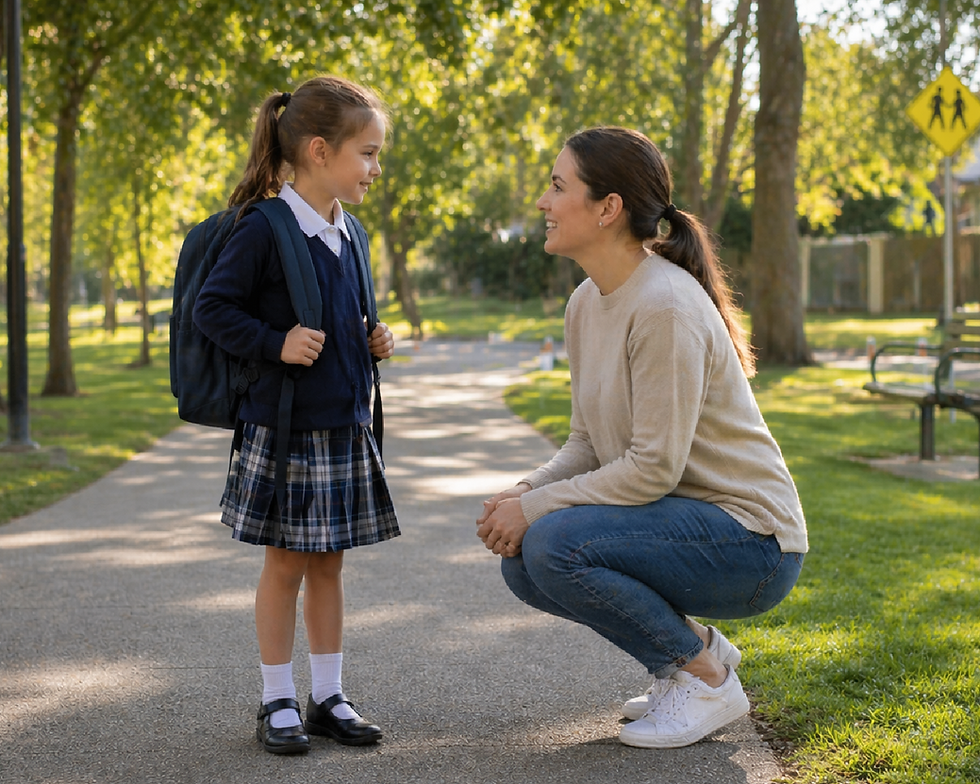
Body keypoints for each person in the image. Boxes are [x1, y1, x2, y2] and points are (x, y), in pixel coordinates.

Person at [476, 126, 807, 750]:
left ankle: (706, 681)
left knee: (550, 543)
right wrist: (522, 492)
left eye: (556, 187)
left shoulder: (664, 307)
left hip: (753, 544)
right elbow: (587, 442)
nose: (543, 203)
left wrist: (537, 509)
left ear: (607, 208)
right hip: (685, 526)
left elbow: (652, 468)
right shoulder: (586, 302)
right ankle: (691, 656)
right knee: (524, 563)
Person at [194, 75, 400, 755]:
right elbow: (213, 310)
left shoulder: (352, 232)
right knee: (285, 566)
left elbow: (347, 313)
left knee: (330, 566)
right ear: (318, 150)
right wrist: (275, 342)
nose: (375, 167)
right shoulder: (265, 227)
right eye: (367, 153)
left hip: (343, 425)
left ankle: (329, 695)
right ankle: (276, 698)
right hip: (285, 431)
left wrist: (375, 336)